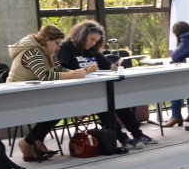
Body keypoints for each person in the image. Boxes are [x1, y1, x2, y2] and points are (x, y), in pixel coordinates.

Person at [56, 20, 156, 149]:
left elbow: (106, 65)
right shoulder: (66, 47)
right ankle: (123, 138)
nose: (93, 43)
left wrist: (113, 67)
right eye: (91, 39)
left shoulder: (92, 50)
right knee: (104, 106)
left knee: (118, 102)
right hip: (78, 92)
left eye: (96, 41)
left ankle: (137, 134)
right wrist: (85, 70)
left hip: (98, 89)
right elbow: (61, 71)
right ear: (82, 35)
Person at [6, 25, 96, 161]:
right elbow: (45, 75)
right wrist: (74, 75)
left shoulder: (45, 50)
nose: (59, 46)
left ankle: (34, 141)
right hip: (17, 96)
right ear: (47, 39)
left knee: (61, 107)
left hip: (35, 92)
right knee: (58, 107)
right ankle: (28, 143)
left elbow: (59, 69)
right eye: (57, 43)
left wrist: (83, 71)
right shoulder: (32, 51)